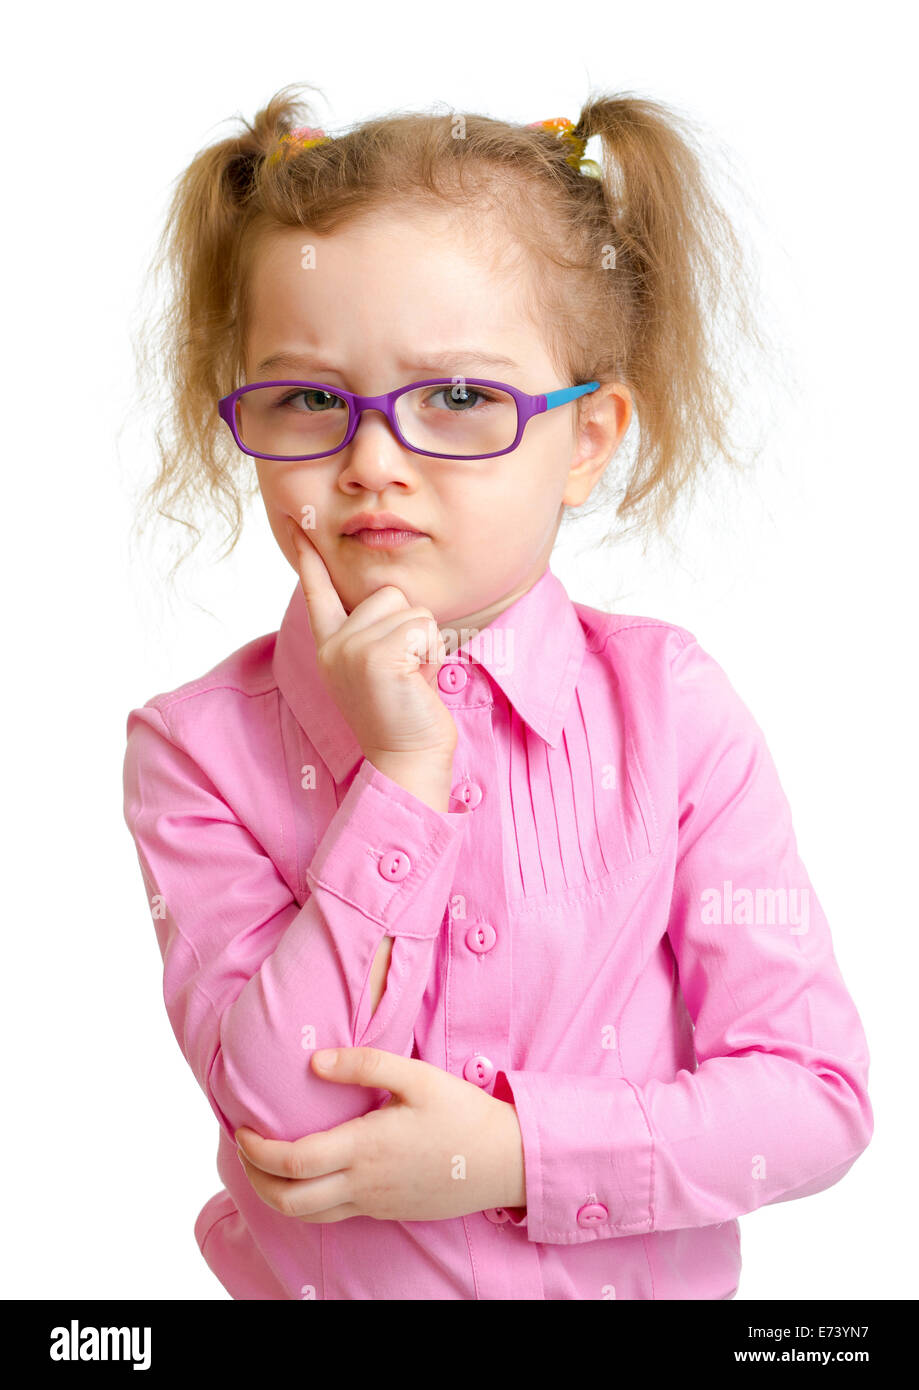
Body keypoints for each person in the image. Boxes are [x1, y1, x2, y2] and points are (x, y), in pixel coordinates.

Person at [121, 85, 873, 1300]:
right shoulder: (197, 751)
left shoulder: (673, 714)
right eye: (312, 397)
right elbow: (290, 1109)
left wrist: (508, 1152)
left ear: (586, 438)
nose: (372, 462)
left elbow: (811, 1098)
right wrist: (403, 781)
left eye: (459, 398)